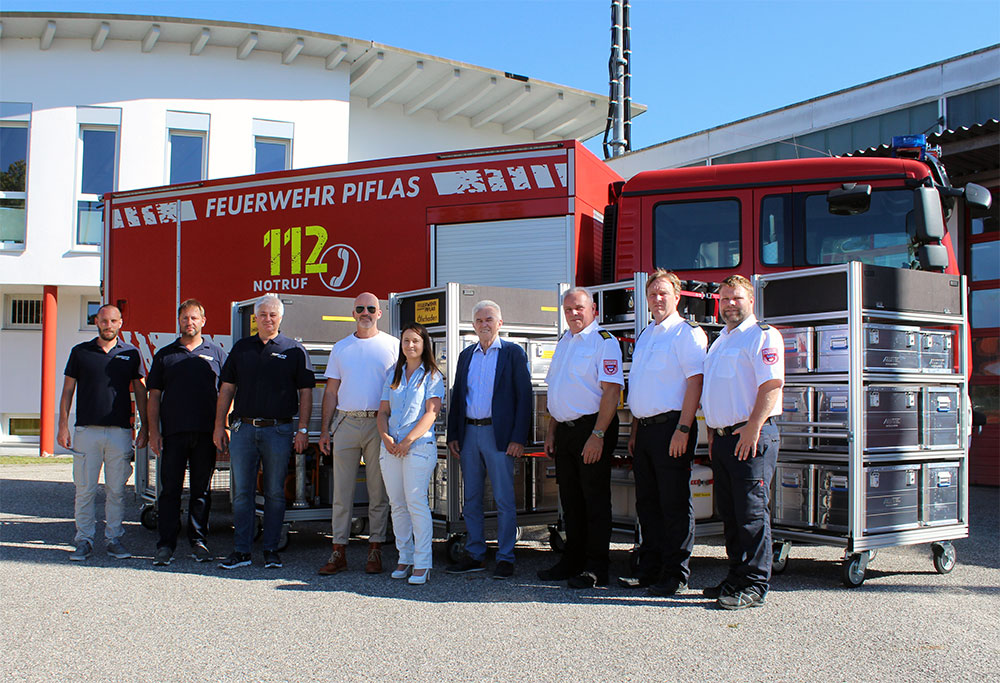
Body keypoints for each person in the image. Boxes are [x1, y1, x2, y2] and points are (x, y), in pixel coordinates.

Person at [213, 293, 315, 570]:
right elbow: (227, 389)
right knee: (243, 493)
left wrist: (302, 429)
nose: (267, 319)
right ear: (254, 318)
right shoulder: (241, 349)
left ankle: (270, 550)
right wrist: (219, 424)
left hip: (279, 431)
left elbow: (306, 393)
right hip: (243, 430)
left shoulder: (294, 350)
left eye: (272, 315)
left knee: (275, 493)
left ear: (281, 318)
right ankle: (241, 551)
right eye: (263, 315)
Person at [620, 270, 707, 595]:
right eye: (652, 294)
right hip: (645, 431)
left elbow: (694, 383)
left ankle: (676, 574)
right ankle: (651, 569)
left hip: (673, 427)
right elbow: (642, 387)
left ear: (677, 296)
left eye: (663, 293)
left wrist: (684, 428)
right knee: (648, 504)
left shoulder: (686, 334)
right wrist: (634, 430)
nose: (657, 299)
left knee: (673, 503)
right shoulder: (646, 335)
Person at [701, 274, 784, 610]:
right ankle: (736, 576)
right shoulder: (721, 340)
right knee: (732, 515)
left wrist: (753, 427)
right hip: (723, 439)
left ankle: (754, 584)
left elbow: (771, 386)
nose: (730, 304)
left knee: (751, 513)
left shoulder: (762, 336)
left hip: (750, 436)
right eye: (724, 299)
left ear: (751, 301)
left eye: (736, 298)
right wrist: (711, 434)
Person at [538, 287, 623, 589]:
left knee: (594, 500)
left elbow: (612, 392)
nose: (573, 314)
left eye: (579, 308)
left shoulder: (604, 343)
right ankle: (571, 560)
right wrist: (551, 430)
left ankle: (597, 566)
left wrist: (598, 435)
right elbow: (556, 389)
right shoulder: (564, 341)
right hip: (566, 431)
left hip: (592, 429)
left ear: (593, 311)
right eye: (568, 309)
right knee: (571, 501)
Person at [445, 300, 532, 580]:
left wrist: (519, 438)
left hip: (500, 436)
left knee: (504, 499)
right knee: (471, 498)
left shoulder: (513, 354)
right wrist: (454, 434)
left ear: (500, 323)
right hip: (470, 434)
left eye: (490, 319)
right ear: (473, 326)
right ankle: (475, 554)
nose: (484, 324)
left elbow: (524, 398)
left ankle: (506, 557)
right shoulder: (466, 355)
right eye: (480, 320)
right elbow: (458, 396)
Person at [57, 304, 148, 562]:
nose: (108, 325)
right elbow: (67, 391)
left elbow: (140, 392)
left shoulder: (131, 353)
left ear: (121, 323)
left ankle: (114, 539)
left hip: (120, 432)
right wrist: (63, 425)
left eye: (113, 321)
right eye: (104, 321)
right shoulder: (80, 352)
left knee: (116, 490)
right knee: (85, 489)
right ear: (96, 321)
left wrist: (145, 428)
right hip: (87, 431)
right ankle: (83, 540)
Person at [317, 293, 397, 576]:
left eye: (371, 308)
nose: (366, 312)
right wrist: (324, 430)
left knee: (378, 491)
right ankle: (338, 550)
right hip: (347, 422)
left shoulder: (393, 346)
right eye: (361, 308)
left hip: (378, 424)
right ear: (353, 313)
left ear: (379, 313)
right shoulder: (341, 347)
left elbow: (400, 389)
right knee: (342, 491)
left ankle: (375, 549)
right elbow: (331, 391)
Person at [146, 299, 227, 566]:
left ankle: (198, 541)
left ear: (203, 321)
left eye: (194, 318)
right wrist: (154, 432)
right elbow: (154, 396)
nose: (189, 323)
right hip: (173, 434)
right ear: (178, 321)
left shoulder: (216, 353)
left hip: (206, 434)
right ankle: (166, 544)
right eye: (184, 318)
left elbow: (228, 393)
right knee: (169, 490)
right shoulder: (165, 355)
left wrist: (222, 426)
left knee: (201, 491)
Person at [376, 322, 444, 586]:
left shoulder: (432, 375)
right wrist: (386, 437)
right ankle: (404, 557)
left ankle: (423, 562)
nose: (410, 345)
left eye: (415, 341)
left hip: (417, 448)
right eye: (406, 341)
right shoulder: (393, 376)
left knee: (416, 503)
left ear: (424, 344)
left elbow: (431, 413)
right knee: (397, 504)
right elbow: (382, 413)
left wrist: (407, 441)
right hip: (391, 447)